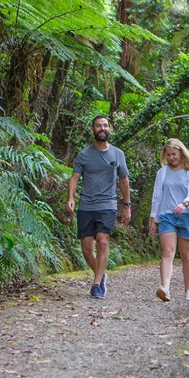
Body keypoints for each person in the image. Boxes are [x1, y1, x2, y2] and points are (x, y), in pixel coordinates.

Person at [67, 115, 131, 299]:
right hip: (86, 205)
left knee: (102, 240)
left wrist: (126, 205)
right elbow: (74, 177)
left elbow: (124, 180)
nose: (102, 128)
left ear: (109, 129)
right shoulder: (84, 154)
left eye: (105, 125)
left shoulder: (118, 154)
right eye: (98, 126)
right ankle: (101, 275)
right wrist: (71, 198)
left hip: (108, 205)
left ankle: (96, 285)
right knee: (87, 249)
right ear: (93, 130)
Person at [149, 138, 189, 302]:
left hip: (187, 215)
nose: (171, 158)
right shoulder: (163, 172)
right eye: (168, 155)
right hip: (167, 215)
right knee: (167, 251)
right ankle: (165, 288)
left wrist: (185, 203)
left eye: (174, 154)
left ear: (181, 152)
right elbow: (157, 196)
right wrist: (154, 218)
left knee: (186, 254)